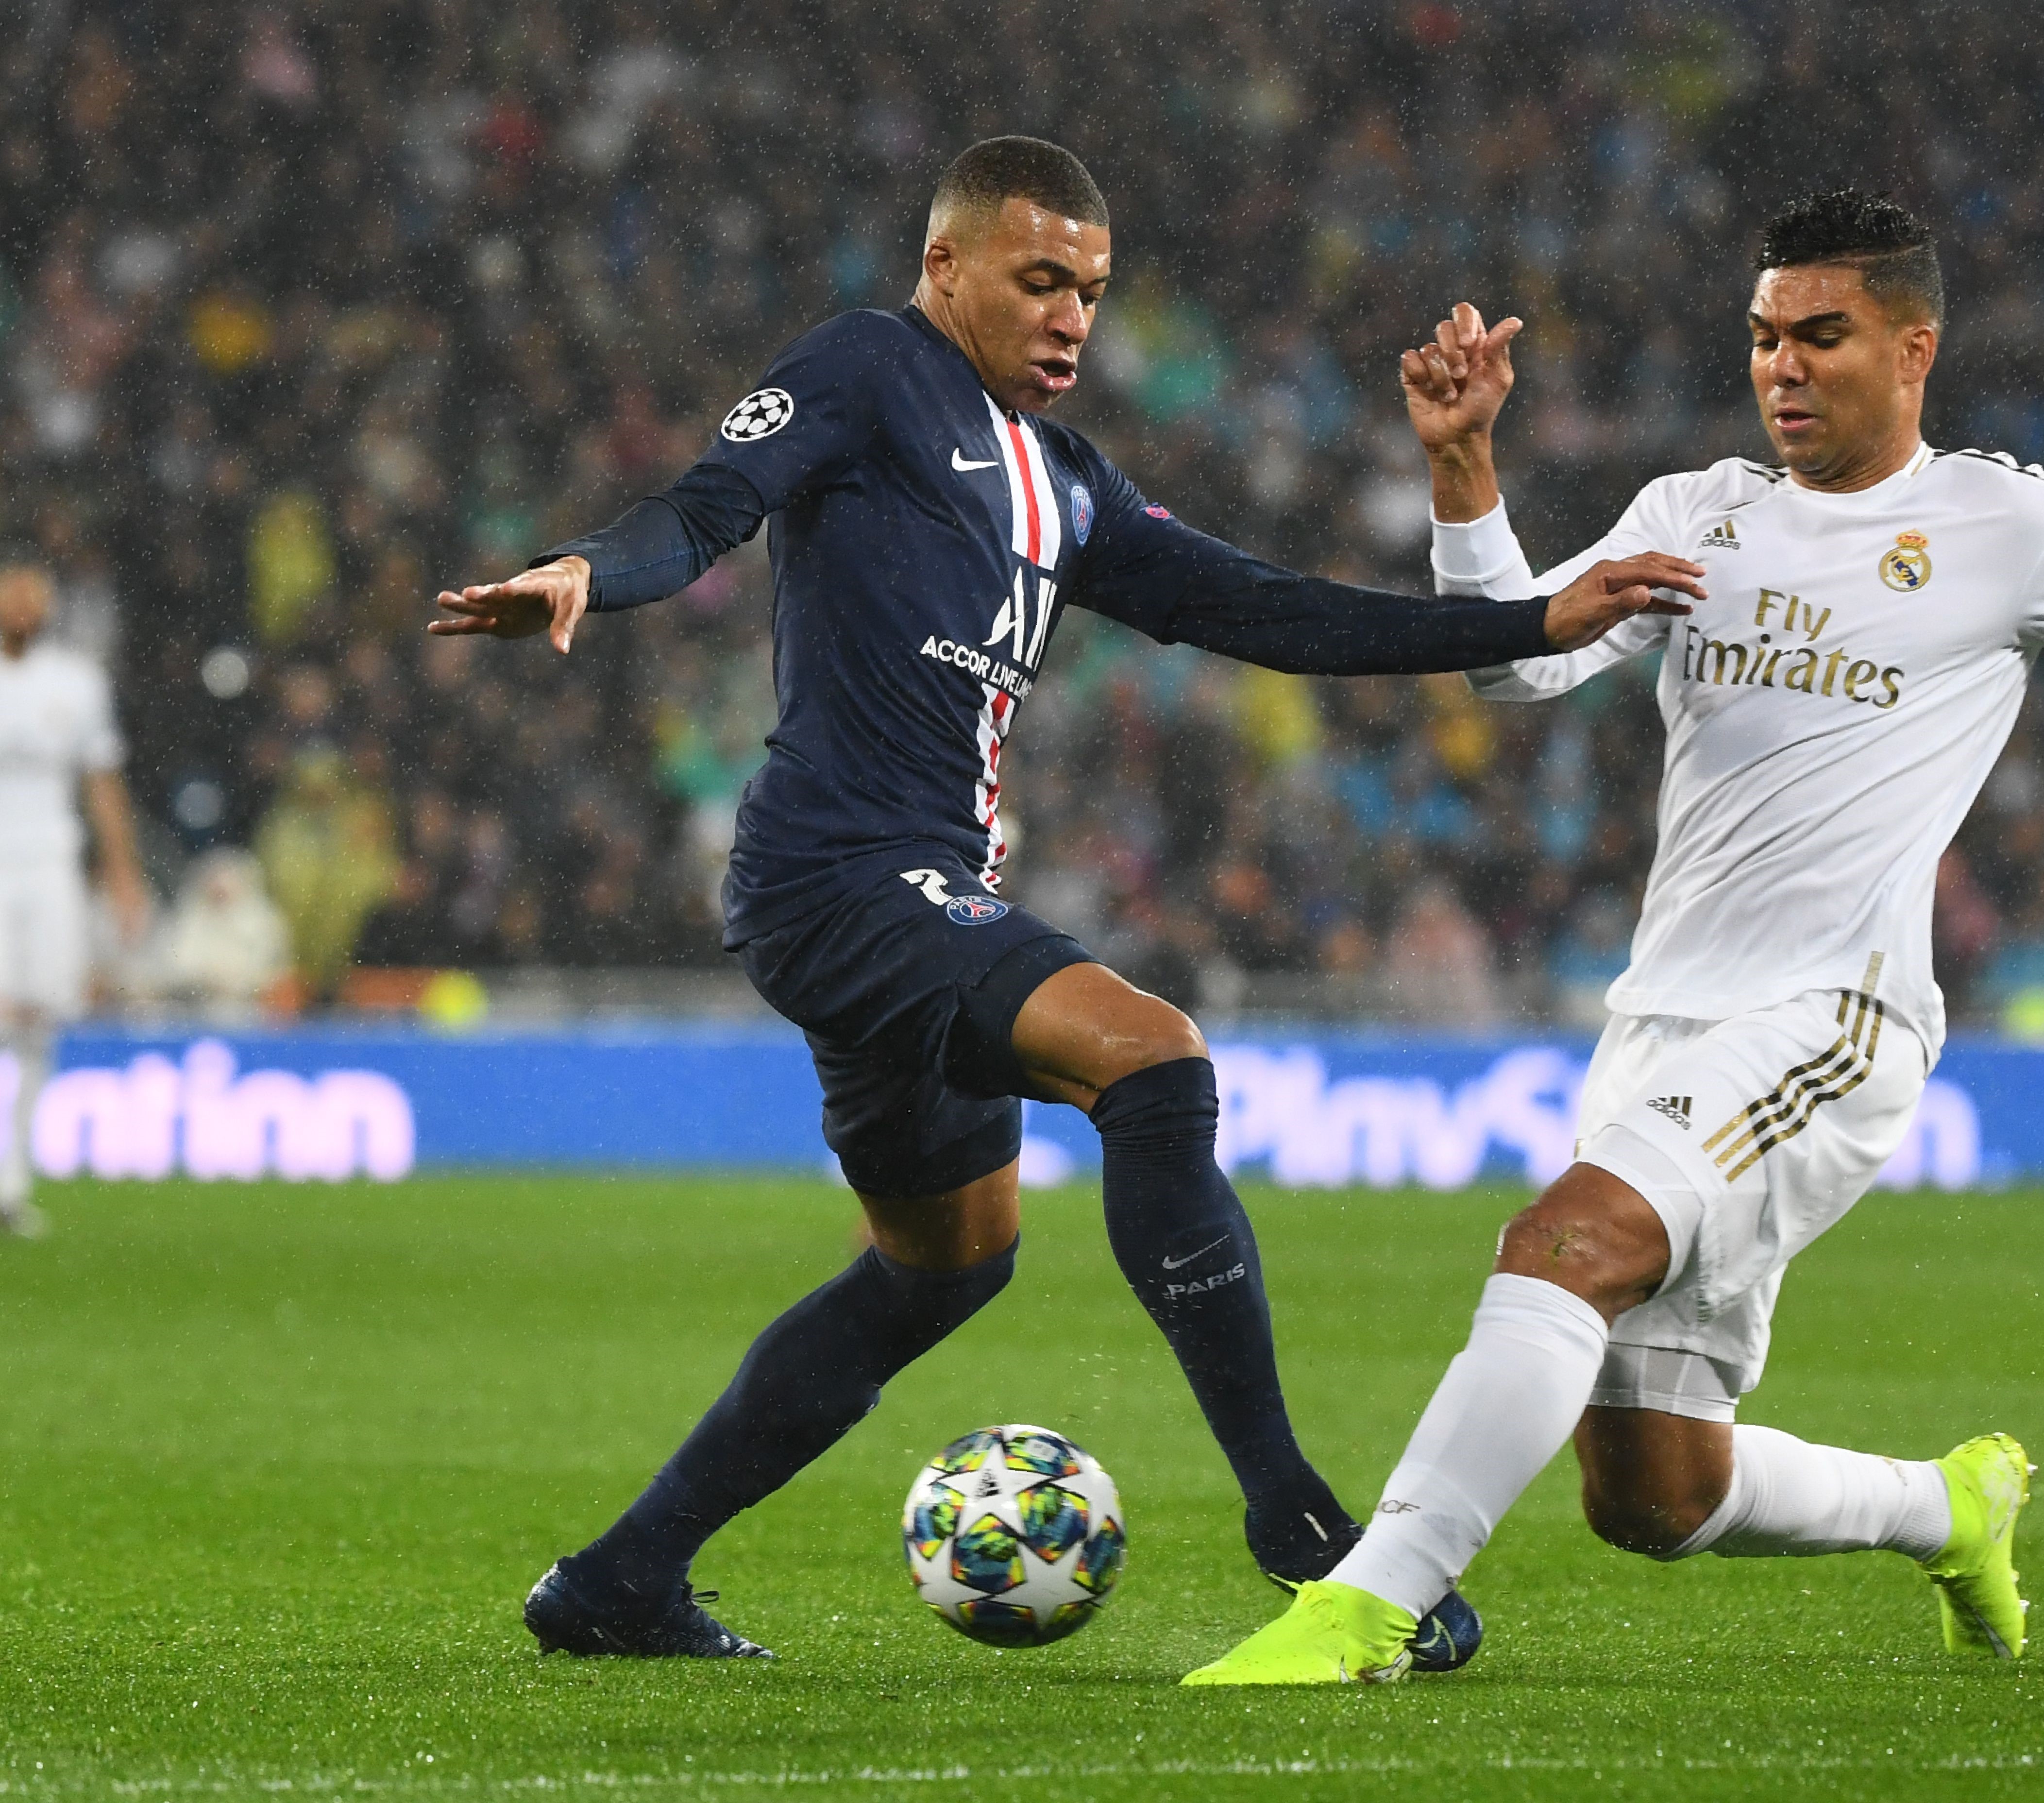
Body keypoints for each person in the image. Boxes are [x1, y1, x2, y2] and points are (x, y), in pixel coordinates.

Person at [1186, 190, 2044, 1684]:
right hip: (1662, 1028)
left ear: (1916, 348)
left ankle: (1367, 1606)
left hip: (1834, 1020)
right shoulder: (1693, 512)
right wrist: (1463, 472)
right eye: (1766, 336)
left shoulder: (2014, 527)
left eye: (1822, 336)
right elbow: (1512, 675)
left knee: (1558, 1247)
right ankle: (1947, 1508)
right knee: (1654, 1495)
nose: (1783, 366)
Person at [431, 136, 1691, 1662]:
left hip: (911, 891)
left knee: (945, 1264)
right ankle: (1295, 1517)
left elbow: (1261, 611)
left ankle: (619, 1582)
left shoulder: (1071, 483)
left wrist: (1531, 616)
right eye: (1040, 281)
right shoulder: (865, 371)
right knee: (1155, 1062)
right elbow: (708, 507)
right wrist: (586, 568)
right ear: (944, 267)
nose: (1073, 317)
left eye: (1090, 290)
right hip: (835, 873)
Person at [0, 557, 149, 1238]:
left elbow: (102, 785)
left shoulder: (77, 683)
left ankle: (13, 1181)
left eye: (36, 597)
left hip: (51, 865)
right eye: (15, 595)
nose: (25, 608)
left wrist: (122, 875)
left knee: (38, 1019)